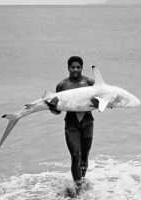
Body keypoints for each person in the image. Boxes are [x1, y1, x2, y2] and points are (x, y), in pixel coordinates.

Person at [45, 56, 98, 194]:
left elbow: (100, 102)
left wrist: (99, 104)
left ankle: (81, 181)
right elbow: (57, 111)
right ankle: (79, 190)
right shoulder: (62, 85)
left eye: (78, 67)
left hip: (87, 122)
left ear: (82, 67)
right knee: (75, 155)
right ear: (68, 68)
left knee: (84, 157)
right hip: (71, 123)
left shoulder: (90, 82)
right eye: (72, 67)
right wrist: (52, 108)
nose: (75, 69)